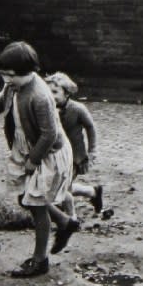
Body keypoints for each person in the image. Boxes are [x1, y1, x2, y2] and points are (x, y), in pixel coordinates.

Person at [0, 42, 76, 277]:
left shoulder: (39, 95)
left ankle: (40, 260)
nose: (6, 79)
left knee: (35, 205)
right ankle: (65, 222)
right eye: (3, 74)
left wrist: (34, 161)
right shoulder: (12, 86)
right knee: (25, 198)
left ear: (27, 72)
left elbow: (50, 134)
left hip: (46, 153)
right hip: (26, 148)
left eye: (10, 75)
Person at [45, 71, 102, 220]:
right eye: (48, 91)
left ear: (67, 93)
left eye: (55, 92)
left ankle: (72, 218)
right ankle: (93, 192)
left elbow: (90, 127)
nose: (51, 95)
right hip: (54, 155)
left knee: (62, 187)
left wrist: (92, 150)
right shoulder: (47, 109)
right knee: (62, 186)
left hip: (74, 157)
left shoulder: (77, 109)